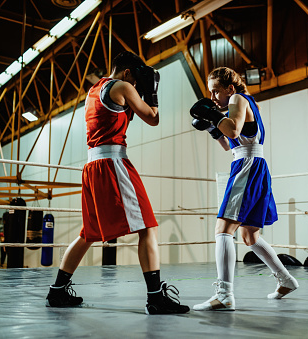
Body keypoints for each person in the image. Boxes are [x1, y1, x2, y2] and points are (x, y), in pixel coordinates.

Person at [46, 51, 189, 315]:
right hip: (113, 163)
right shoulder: (123, 86)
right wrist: (152, 92)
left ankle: (57, 291)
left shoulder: (94, 90)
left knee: (88, 233)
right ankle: (155, 298)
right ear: (126, 73)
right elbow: (153, 117)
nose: (135, 85)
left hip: (91, 166)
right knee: (147, 227)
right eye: (135, 80)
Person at [190, 67, 299, 311]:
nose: (213, 98)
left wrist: (214, 116)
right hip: (253, 164)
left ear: (230, 88)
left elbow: (234, 131)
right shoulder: (245, 104)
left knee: (223, 228)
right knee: (249, 234)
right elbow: (229, 144)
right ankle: (286, 280)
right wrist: (211, 128)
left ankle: (224, 295)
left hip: (247, 166)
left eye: (216, 91)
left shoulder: (238, 99)